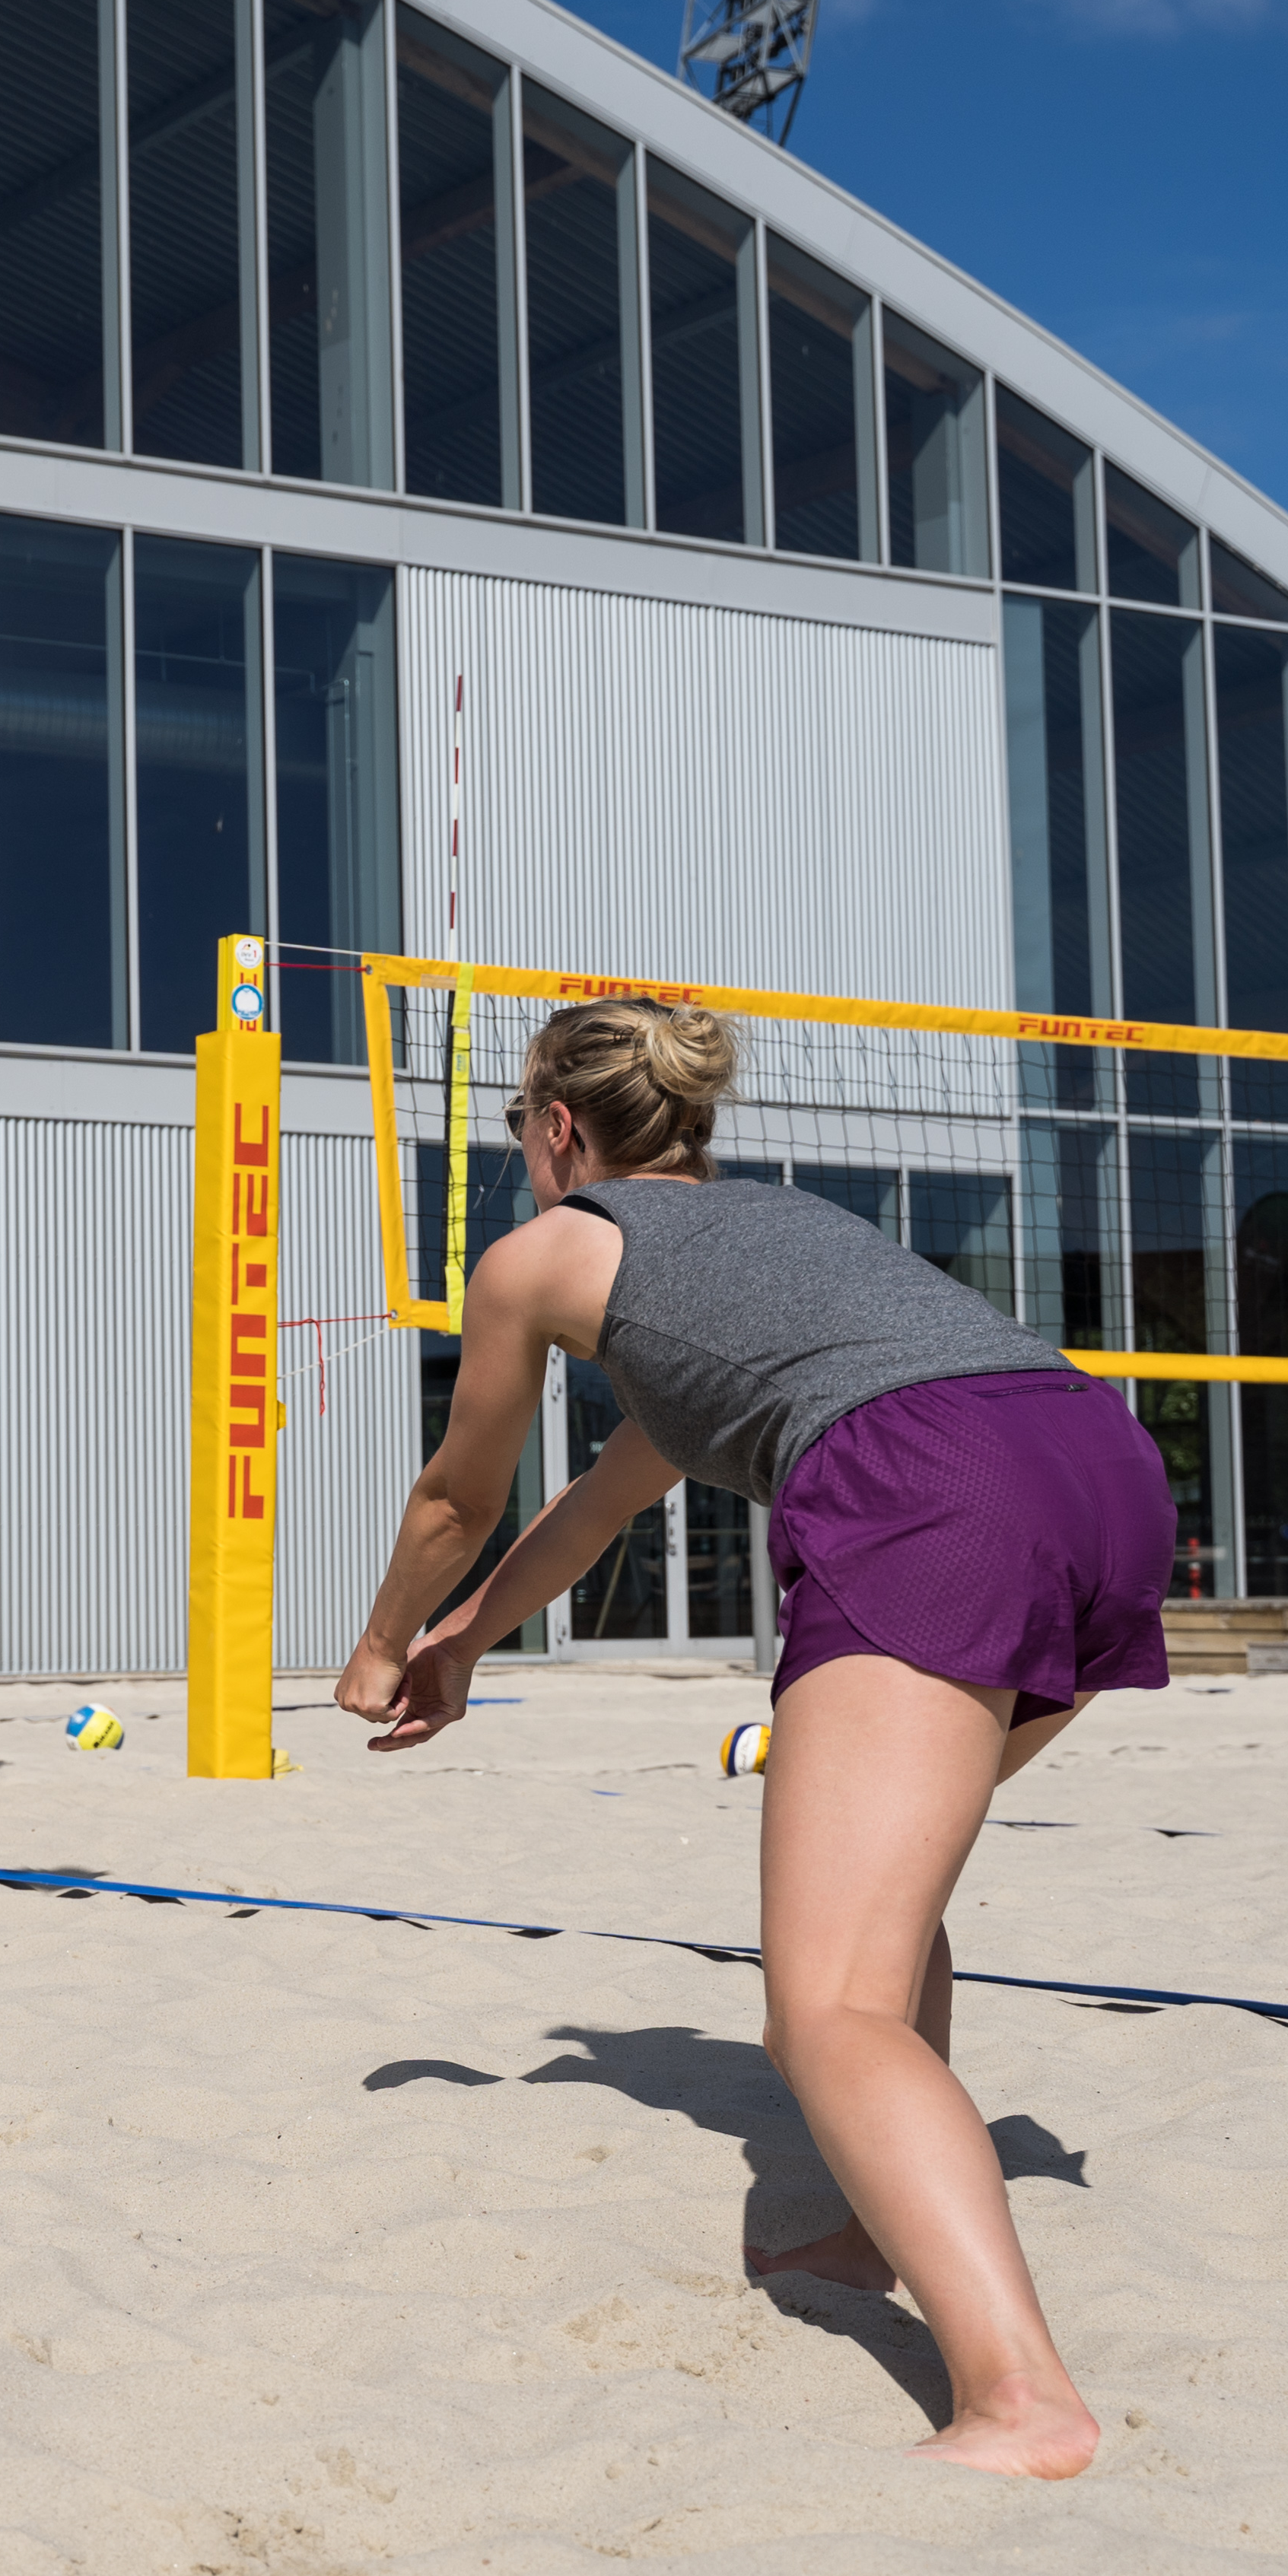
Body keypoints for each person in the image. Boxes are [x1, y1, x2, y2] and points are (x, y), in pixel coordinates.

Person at [336, 999, 1172, 2479]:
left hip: (932, 1486)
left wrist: (382, 1637)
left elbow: (457, 1495)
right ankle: (870, 2217)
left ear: (552, 1132)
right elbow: (599, 1500)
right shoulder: (764, 1245)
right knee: (880, 1919)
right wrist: (469, 1642)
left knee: (820, 2005)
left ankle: (1018, 2396)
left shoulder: (540, 1253)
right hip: (1093, 1463)